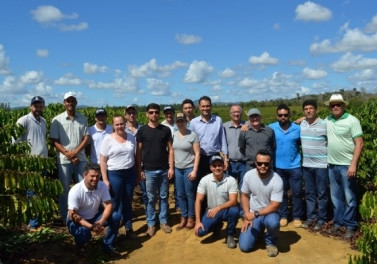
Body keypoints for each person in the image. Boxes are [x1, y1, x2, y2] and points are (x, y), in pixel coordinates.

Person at [324, 94, 363, 239]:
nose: (335, 107)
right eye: (332, 105)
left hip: (347, 165)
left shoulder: (353, 121)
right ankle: (338, 223)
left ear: (343, 105)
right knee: (336, 197)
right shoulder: (328, 120)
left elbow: (359, 143)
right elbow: (314, 121)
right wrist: (303, 119)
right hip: (332, 164)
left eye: (338, 104)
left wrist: (353, 164)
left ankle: (350, 225)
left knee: (350, 197)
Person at [50, 91, 89, 222]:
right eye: (68, 101)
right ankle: (65, 216)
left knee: (82, 187)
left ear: (76, 103)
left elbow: (86, 138)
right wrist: (70, 155)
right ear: (64, 103)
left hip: (81, 159)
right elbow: (55, 141)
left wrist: (75, 152)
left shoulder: (83, 118)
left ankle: (81, 214)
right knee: (64, 188)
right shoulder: (57, 120)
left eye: (72, 101)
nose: (70, 103)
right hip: (64, 160)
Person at [136, 103, 174, 237]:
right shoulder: (142, 131)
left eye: (156, 112)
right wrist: (139, 169)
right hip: (148, 170)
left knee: (164, 197)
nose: (154, 115)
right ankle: (151, 224)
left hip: (163, 169)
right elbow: (139, 151)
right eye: (151, 112)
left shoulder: (165, 130)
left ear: (160, 114)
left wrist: (171, 167)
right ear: (147, 114)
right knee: (151, 198)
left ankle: (163, 221)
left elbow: (170, 150)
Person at [67, 163, 121, 257]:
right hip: (77, 221)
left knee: (116, 216)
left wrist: (101, 222)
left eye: (97, 176)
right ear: (85, 175)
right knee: (84, 233)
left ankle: (107, 245)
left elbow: (108, 205)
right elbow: (73, 215)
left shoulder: (102, 186)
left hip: (95, 216)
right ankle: (80, 246)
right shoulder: (76, 191)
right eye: (92, 176)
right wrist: (92, 227)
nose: (95, 179)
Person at [238, 150, 283, 257]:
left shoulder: (277, 180)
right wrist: (247, 215)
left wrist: (254, 214)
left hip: (269, 213)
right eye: (260, 163)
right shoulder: (249, 175)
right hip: (253, 214)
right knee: (244, 247)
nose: (263, 166)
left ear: (270, 163)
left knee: (273, 222)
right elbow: (244, 195)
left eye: (266, 164)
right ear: (255, 162)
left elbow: (275, 206)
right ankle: (258, 232)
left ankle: (270, 242)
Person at [100, 115, 137, 239]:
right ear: (113, 126)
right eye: (117, 124)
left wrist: (137, 172)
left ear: (125, 124)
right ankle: (113, 231)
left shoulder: (131, 137)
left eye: (122, 124)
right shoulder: (108, 139)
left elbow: (135, 157)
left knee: (127, 201)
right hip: (115, 174)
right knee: (114, 203)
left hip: (130, 173)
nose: (120, 126)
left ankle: (128, 228)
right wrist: (105, 179)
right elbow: (103, 160)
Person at [16, 96, 47, 231]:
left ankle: (38, 221)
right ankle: (33, 224)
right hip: (31, 164)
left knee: (40, 193)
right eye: (36, 106)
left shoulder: (44, 121)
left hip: (43, 162)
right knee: (32, 194)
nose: (38, 108)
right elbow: (15, 142)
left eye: (40, 106)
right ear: (30, 106)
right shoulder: (24, 120)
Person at [194, 155, 239, 249]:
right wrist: (198, 221)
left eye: (219, 165)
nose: (217, 168)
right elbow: (198, 200)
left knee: (234, 211)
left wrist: (218, 208)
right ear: (210, 168)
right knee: (200, 232)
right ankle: (217, 226)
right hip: (211, 210)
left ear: (224, 166)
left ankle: (230, 235)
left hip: (226, 209)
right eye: (214, 166)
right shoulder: (205, 180)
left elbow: (233, 201)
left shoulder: (230, 180)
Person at [269, 104, 303, 228]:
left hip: (295, 166)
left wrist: (304, 117)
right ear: (277, 116)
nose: (283, 117)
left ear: (289, 115)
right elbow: (257, 126)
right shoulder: (271, 128)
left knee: (297, 193)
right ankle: (283, 216)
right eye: (280, 115)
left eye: (285, 115)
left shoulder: (297, 128)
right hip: (278, 167)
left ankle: (297, 217)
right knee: (281, 193)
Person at [300, 100, 329, 231]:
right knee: (310, 193)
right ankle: (311, 217)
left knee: (322, 193)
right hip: (307, 165)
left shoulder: (325, 124)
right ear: (303, 111)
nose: (308, 111)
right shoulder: (302, 124)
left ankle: (322, 219)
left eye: (311, 108)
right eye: (306, 109)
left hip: (322, 165)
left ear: (316, 109)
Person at [190, 96, 229, 182]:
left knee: (217, 181)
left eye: (207, 106)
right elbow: (190, 141)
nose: (205, 108)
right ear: (199, 107)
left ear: (211, 106)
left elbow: (222, 140)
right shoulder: (194, 122)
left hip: (215, 156)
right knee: (200, 182)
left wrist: (226, 159)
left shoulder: (218, 120)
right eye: (203, 106)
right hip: (200, 157)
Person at [173, 112, 200, 230]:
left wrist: (194, 170)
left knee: (190, 194)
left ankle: (190, 217)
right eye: (178, 121)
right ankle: (183, 216)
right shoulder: (173, 135)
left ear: (186, 122)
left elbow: (198, 153)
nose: (180, 123)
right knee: (180, 194)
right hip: (178, 169)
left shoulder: (193, 135)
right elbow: (171, 151)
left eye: (182, 121)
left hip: (189, 168)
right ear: (176, 123)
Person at [124, 105, 148, 213]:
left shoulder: (143, 128)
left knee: (145, 190)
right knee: (127, 193)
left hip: (142, 163)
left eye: (133, 112)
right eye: (129, 113)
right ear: (125, 115)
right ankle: (127, 215)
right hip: (127, 164)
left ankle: (149, 213)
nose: (131, 115)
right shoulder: (120, 128)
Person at [238, 108, 275, 172]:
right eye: (252, 116)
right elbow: (242, 147)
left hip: (265, 165)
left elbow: (272, 146)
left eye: (256, 116)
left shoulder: (269, 131)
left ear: (261, 117)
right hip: (250, 166)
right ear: (248, 119)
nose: (254, 118)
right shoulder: (244, 131)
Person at [224, 104, 246, 190]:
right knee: (229, 189)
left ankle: (242, 204)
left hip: (243, 163)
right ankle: (232, 204)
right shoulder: (224, 127)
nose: (236, 114)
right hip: (230, 163)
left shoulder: (247, 125)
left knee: (243, 189)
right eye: (234, 112)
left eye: (238, 112)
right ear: (230, 114)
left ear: (241, 113)